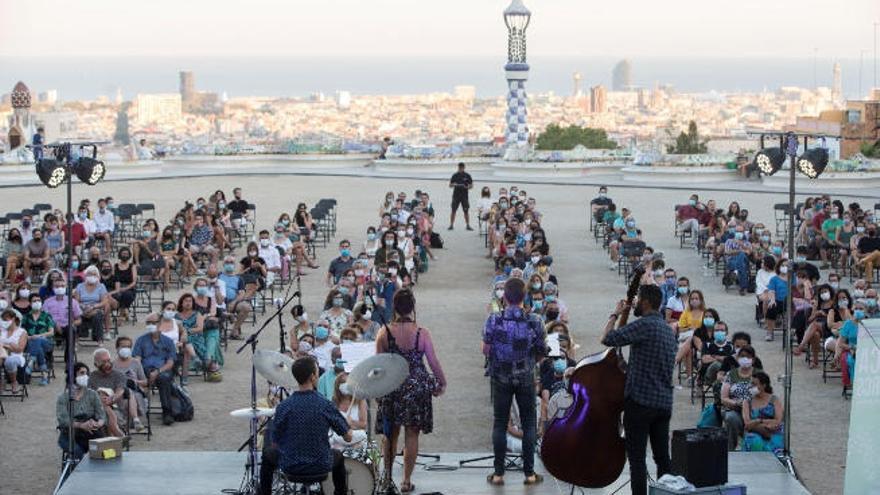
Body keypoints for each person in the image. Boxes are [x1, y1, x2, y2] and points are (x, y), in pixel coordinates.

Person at [601, 284, 676, 495]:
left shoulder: (645, 325)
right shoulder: (667, 330)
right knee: (663, 458)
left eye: (637, 299)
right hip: (663, 403)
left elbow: (608, 339)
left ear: (645, 302)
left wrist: (615, 313)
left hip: (641, 402)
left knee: (637, 460)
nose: (635, 303)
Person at [375, 289, 446, 493]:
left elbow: (378, 364)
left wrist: (379, 391)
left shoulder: (383, 332)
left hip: (392, 385)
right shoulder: (421, 333)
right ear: (413, 307)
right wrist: (441, 383)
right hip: (416, 386)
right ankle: (406, 480)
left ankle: (387, 478)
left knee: (391, 435)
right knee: (412, 434)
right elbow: (433, 361)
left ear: (394, 307)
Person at [483, 278, 545, 486]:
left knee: (500, 422)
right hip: (525, 377)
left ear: (505, 297)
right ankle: (529, 473)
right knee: (529, 423)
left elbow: (485, 348)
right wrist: (527, 363)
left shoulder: (494, 319)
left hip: (500, 377)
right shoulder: (535, 320)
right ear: (524, 296)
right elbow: (541, 352)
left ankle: (499, 473)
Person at [258, 356, 352, 495]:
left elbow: (275, 441)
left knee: (267, 454)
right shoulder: (325, 404)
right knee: (338, 456)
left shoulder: (284, 406)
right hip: (321, 464)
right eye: (317, 372)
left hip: (290, 464)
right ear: (313, 376)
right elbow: (348, 437)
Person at [56, 362, 107, 459]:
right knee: (78, 453)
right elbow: (63, 420)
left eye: (87, 373)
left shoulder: (92, 394)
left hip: (91, 433)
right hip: (70, 435)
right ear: (73, 376)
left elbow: (102, 415)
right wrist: (81, 425)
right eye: (82, 373)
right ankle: (72, 473)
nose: (85, 376)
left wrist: (97, 424)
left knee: (105, 453)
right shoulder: (64, 398)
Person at [132, 319, 177, 425]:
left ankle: (167, 412)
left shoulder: (168, 341)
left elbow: (170, 363)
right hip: (145, 369)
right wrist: (139, 372)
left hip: (162, 370)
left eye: (154, 322)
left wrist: (157, 372)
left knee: (164, 378)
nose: (151, 325)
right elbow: (137, 359)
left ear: (160, 324)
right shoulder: (141, 340)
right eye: (149, 323)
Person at [719, 345, 757, 450]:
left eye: (748, 357)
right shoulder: (731, 374)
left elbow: (766, 395)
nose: (745, 359)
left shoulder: (758, 374)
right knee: (731, 418)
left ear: (753, 360)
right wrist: (736, 403)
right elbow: (724, 398)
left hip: (754, 410)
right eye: (742, 356)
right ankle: (729, 450)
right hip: (734, 409)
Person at [88, 348, 128, 437]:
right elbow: (89, 395)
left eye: (108, 360)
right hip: (96, 409)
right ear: (96, 364)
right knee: (101, 401)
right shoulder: (91, 377)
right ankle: (117, 435)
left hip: (116, 408)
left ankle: (109, 440)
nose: (107, 364)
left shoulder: (119, 375)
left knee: (104, 411)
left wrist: (112, 398)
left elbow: (120, 390)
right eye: (103, 362)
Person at [742, 371, 784, 455]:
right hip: (755, 432)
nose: (751, 386)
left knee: (776, 444)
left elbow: (778, 420)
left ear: (763, 385)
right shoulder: (747, 402)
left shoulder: (774, 400)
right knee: (754, 441)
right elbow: (747, 424)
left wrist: (756, 422)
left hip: (773, 431)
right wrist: (760, 421)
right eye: (751, 383)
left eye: (754, 384)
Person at [21, 293, 55, 385]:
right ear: (30, 303)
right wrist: (30, 337)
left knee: (37, 340)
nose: (37, 302)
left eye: (39, 300)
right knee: (37, 346)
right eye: (34, 301)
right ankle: (44, 376)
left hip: (47, 343)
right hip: (30, 343)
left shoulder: (46, 315)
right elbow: (22, 333)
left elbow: (51, 332)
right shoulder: (26, 317)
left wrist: (39, 336)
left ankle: (31, 361)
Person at [0, 308, 28, 394]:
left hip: (16, 356)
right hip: (2, 354)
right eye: (2, 320)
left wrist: (5, 345)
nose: (3, 322)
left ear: (13, 319)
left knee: (9, 361)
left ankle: (14, 382)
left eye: (5, 320)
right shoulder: (2, 331)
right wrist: (10, 345)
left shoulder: (22, 332)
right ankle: (2, 380)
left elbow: (20, 349)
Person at [448, 162, 474, 231]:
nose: (461, 169)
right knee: (453, 210)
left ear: (464, 168)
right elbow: (450, 185)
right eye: (460, 168)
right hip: (456, 196)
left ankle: (468, 225)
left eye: (462, 168)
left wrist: (466, 186)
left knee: (466, 211)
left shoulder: (467, 175)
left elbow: (471, 186)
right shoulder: (455, 175)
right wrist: (455, 185)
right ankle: (451, 225)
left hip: (464, 196)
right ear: (458, 167)